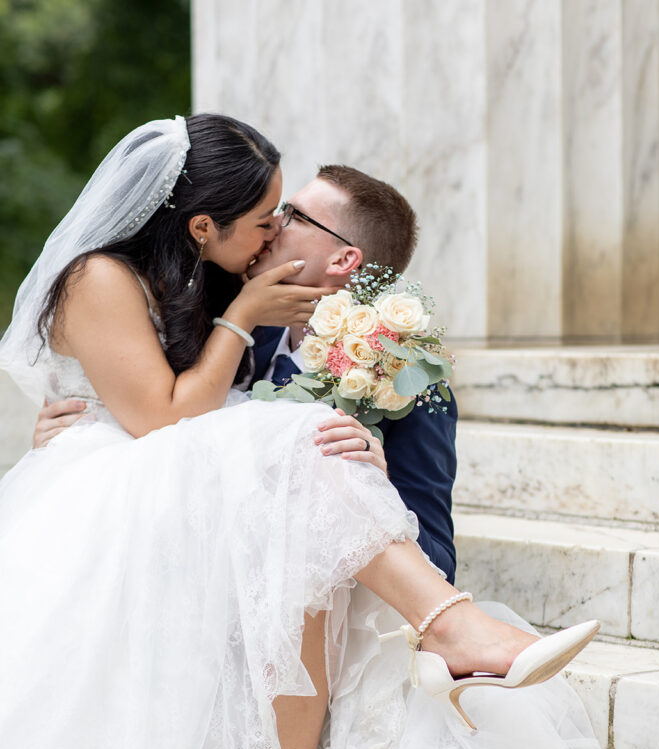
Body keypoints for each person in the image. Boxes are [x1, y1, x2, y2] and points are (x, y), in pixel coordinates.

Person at [0, 114, 607, 749]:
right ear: (201, 225)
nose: (272, 234)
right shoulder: (127, 278)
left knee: (302, 479)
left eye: (287, 220)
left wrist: (359, 446)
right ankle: (451, 628)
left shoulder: (372, 339)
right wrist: (237, 325)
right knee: (288, 452)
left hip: (216, 508)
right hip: (128, 503)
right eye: (264, 219)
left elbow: (408, 486)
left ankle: (380, 702)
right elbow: (165, 417)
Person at [32, 164, 459, 581]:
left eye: (294, 215)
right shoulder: (225, 326)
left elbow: (441, 564)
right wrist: (85, 434)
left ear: (344, 257)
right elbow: (166, 422)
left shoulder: (405, 384)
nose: (272, 223)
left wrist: (372, 489)